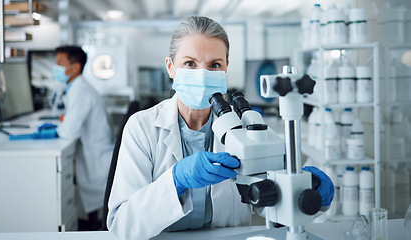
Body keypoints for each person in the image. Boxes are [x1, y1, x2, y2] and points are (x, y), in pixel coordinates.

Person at [107, 16, 334, 240]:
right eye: (190, 63)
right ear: (170, 67)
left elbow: (269, 202)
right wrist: (175, 181)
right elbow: (121, 226)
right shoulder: (142, 127)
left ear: (225, 70)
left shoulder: (246, 129)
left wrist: (301, 189)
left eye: (214, 65)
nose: (203, 75)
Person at [53, 46, 114, 229]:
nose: (55, 67)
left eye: (59, 63)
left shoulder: (81, 91)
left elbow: (68, 131)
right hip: (95, 155)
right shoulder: (76, 88)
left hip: (96, 162)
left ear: (75, 67)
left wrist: (62, 124)